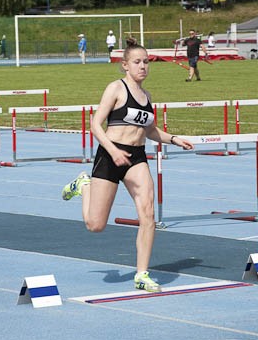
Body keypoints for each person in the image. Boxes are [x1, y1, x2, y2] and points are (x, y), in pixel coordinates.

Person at [61, 41, 194, 293]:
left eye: (146, 62)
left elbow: (150, 131)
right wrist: (113, 151)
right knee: (95, 225)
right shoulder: (116, 89)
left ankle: (142, 274)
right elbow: (95, 125)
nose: (143, 66)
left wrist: (174, 139)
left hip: (136, 157)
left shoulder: (147, 96)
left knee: (148, 214)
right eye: (137, 62)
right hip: (110, 154)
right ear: (125, 65)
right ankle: (84, 185)